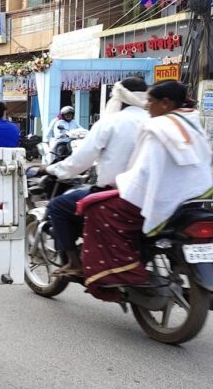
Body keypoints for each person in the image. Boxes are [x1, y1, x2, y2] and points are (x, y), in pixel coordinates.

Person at [81, 80, 213, 299]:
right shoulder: (192, 122)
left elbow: (143, 171)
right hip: (194, 196)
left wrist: (121, 184)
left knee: (94, 208)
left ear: (165, 103)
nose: (147, 106)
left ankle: (125, 271)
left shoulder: (156, 127)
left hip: (164, 199)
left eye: (150, 102)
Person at [44, 78, 148, 279]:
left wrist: (53, 170)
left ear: (118, 98)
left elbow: (80, 161)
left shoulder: (111, 122)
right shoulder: (156, 120)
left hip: (113, 193)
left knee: (58, 206)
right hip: (152, 194)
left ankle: (74, 263)